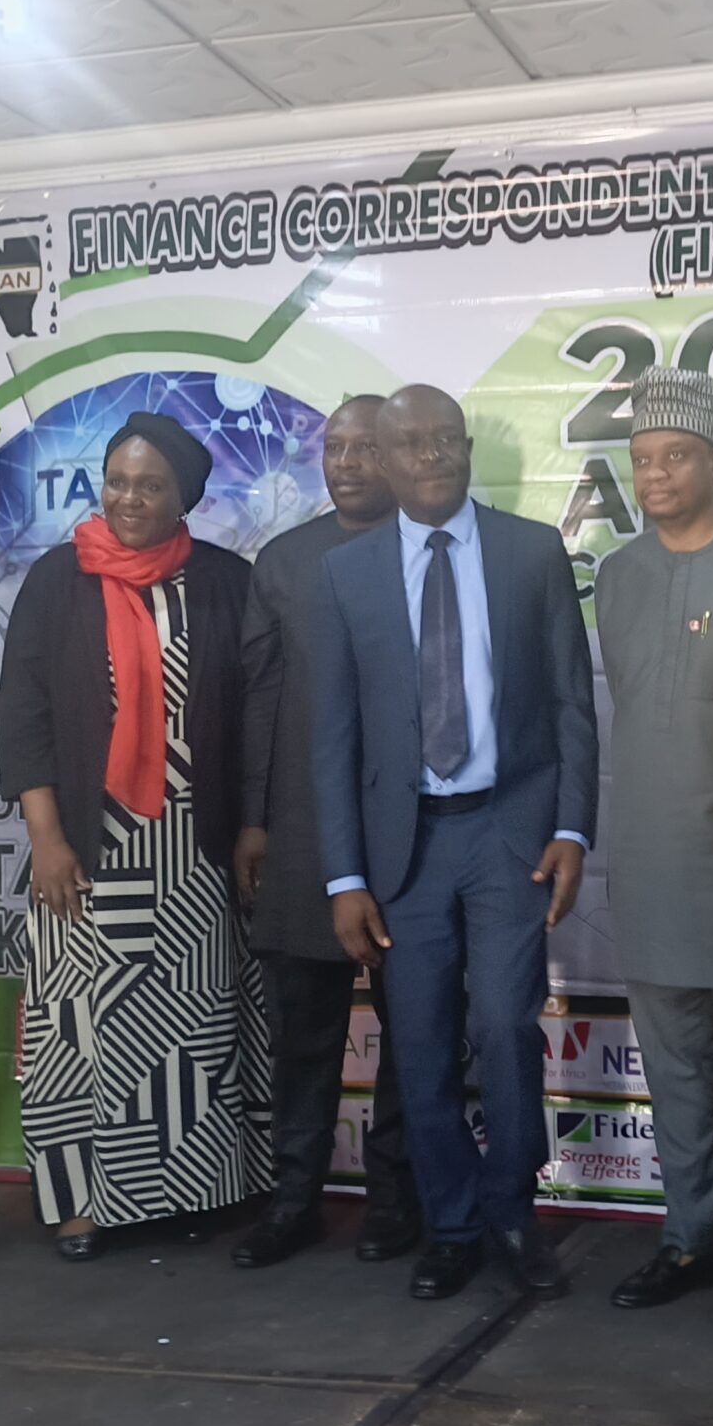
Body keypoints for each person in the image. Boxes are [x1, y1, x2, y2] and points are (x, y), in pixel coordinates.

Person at [311, 384, 596, 1303]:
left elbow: (572, 703)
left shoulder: (531, 552)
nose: (430, 454)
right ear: (384, 460)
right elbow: (333, 735)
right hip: (405, 852)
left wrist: (571, 827)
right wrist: (345, 876)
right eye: (410, 443)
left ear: (467, 448)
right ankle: (452, 1224)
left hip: (509, 833)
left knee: (505, 1027)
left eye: (445, 438)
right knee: (423, 1043)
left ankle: (512, 1211)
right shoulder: (347, 574)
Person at [0, 412, 269, 1256]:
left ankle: (193, 1189)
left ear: (185, 496)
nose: (129, 499)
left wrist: (252, 826)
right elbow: (24, 716)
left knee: (194, 1026)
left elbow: (256, 717)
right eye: (116, 481)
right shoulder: (59, 579)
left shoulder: (226, 582)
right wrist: (46, 837)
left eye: (150, 486)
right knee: (81, 1028)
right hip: (88, 847)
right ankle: (84, 1201)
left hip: (194, 849)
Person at [596, 367, 713, 1329]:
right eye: (642, 460)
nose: (656, 475)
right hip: (650, 861)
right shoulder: (618, 574)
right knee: (673, 1072)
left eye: (675, 457)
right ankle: (687, 1235)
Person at [230, 396, 419, 1270]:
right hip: (304, 833)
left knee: (413, 1032)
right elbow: (259, 698)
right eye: (335, 447)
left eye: (365, 448)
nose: (346, 463)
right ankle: (293, 1200)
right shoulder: (285, 560)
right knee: (302, 1036)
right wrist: (254, 819)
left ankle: (396, 1200)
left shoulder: (434, 553)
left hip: (410, 835)